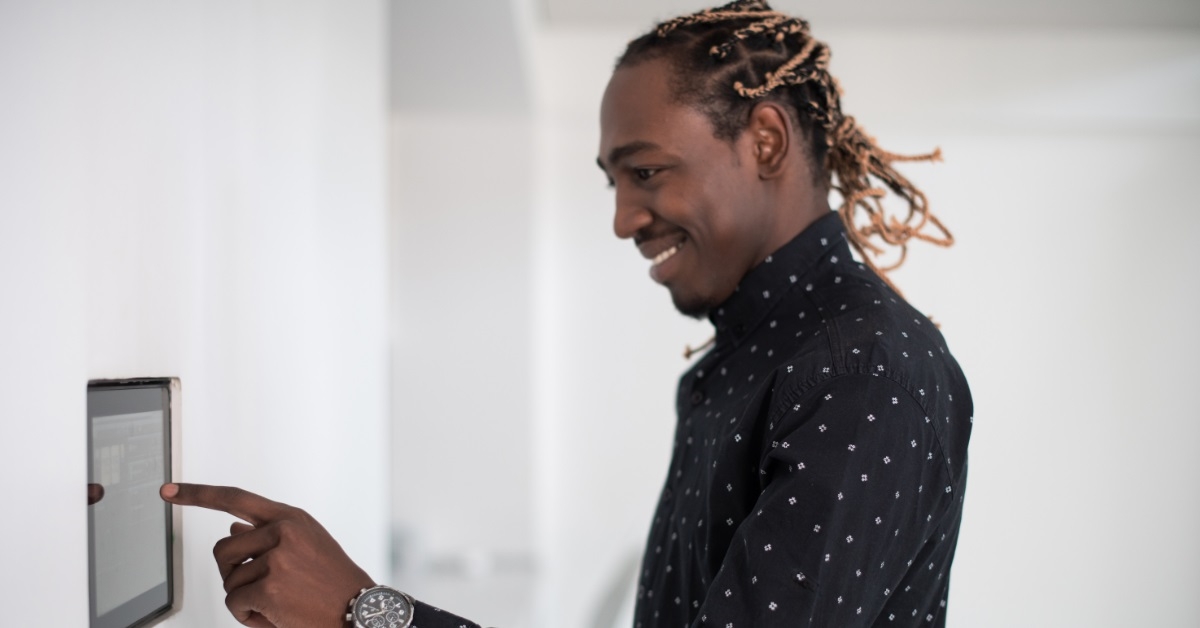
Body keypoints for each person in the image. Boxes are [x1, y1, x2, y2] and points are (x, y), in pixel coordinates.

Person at [161, 1, 973, 626]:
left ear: (764, 141)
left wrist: (363, 612)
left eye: (646, 172)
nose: (623, 218)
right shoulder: (753, 358)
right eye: (613, 183)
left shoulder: (861, 367)